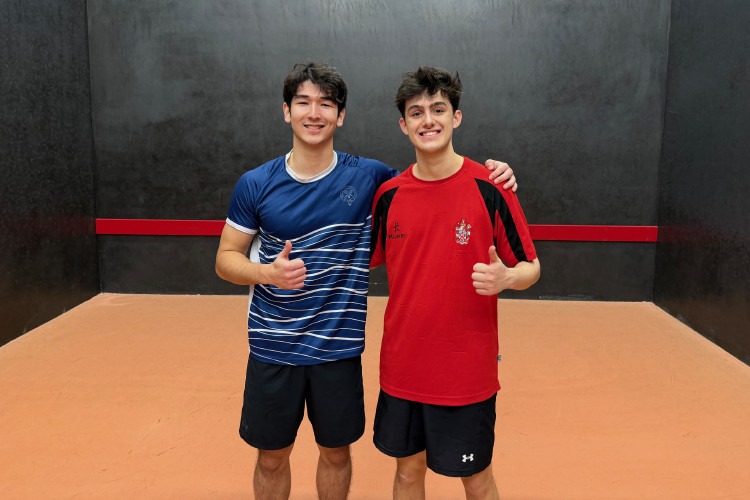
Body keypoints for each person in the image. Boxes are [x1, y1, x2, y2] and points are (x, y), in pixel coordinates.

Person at [215, 62, 517, 500]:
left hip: (338, 351)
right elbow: (225, 259)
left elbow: (434, 177)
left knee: (336, 455)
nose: (314, 113)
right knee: (271, 458)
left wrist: (497, 173)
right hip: (273, 348)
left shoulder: (371, 178)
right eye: (303, 103)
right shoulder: (255, 184)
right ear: (286, 111)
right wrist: (266, 273)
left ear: (341, 116)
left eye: (326, 104)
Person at [370, 66, 541, 500]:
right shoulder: (389, 195)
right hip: (403, 367)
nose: (428, 120)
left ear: (456, 117)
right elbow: (358, 260)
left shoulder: (492, 187)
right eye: (417, 112)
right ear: (403, 124)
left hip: (466, 372)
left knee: (476, 479)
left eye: (438, 109)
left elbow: (531, 267)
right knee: (407, 474)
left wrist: (507, 277)